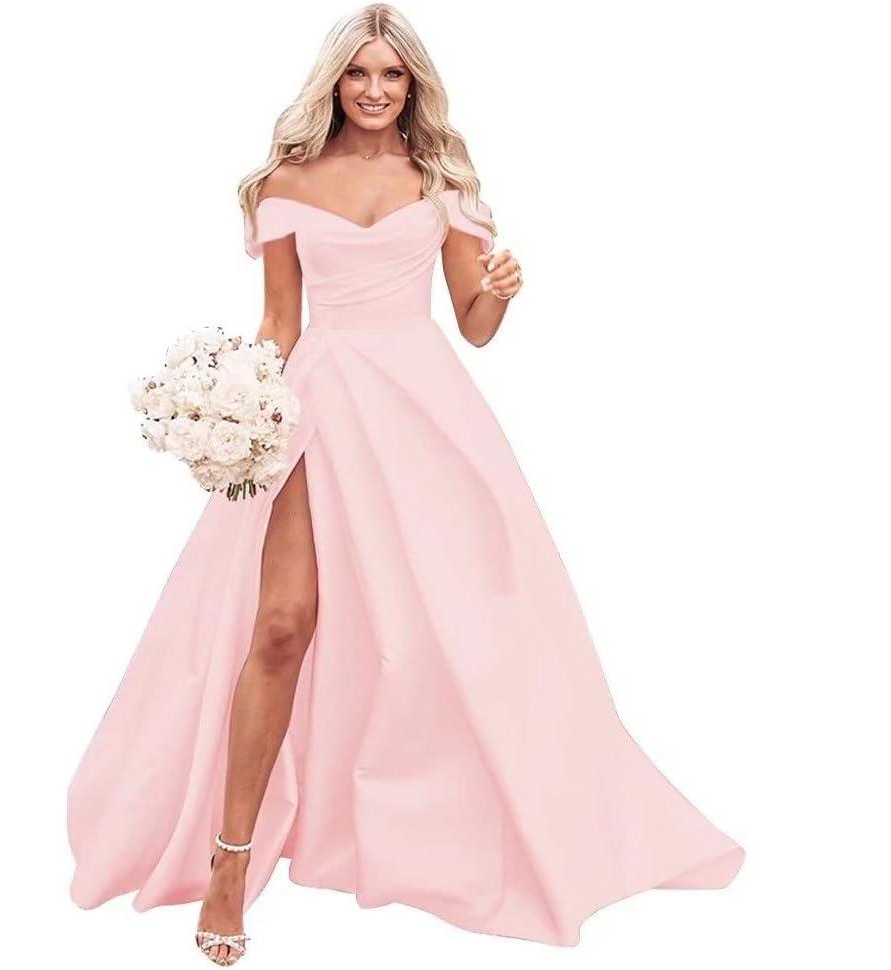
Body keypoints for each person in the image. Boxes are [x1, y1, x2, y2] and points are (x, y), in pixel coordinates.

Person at [66, 4, 744, 964]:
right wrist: (235, 411)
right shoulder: (284, 184)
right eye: (359, 74)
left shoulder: (441, 182)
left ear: (414, 85)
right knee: (280, 623)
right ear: (335, 83)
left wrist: (497, 292)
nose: (375, 90)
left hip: (422, 415)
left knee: (449, 632)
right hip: (315, 408)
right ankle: (228, 861)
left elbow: (472, 325)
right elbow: (280, 321)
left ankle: (449, 828)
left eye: (392, 75)